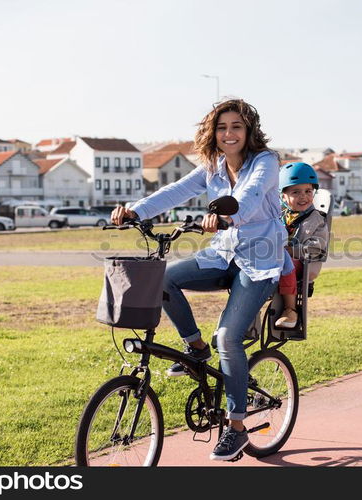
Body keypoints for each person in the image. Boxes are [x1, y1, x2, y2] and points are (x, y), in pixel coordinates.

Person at [110, 99, 286, 462]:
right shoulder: (213, 166)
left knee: (228, 337)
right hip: (223, 253)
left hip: (260, 262)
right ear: (214, 134)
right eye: (222, 128)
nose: (229, 133)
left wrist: (226, 214)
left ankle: (236, 428)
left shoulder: (265, 161)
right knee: (159, 280)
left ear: (248, 130)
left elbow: (249, 196)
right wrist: (135, 211)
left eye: (236, 126)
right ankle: (195, 348)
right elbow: (176, 190)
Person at [274, 162, 329, 328]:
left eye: (308, 191)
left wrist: (291, 250)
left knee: (285, 261)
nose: (303, 196)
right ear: (283, 196)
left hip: (303, 262)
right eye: (295, 192)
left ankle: (290, 311)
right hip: (275, 259)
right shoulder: (279, 217)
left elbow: (316, 246)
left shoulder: (316, 219)